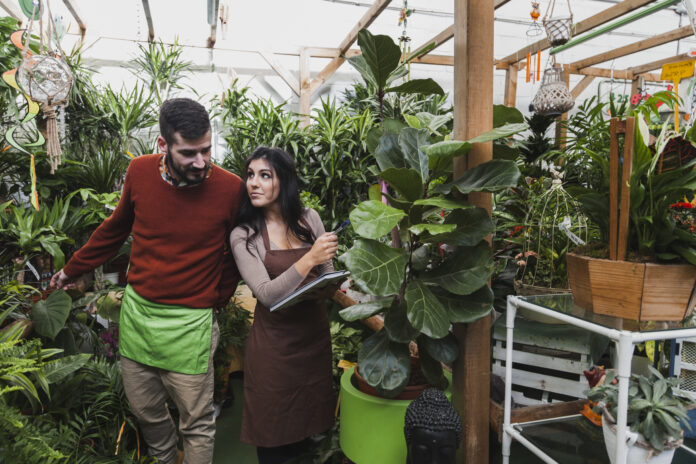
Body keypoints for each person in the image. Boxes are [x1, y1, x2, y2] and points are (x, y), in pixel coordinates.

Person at [51, 98, 244, 464]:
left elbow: (238, 251)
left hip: (191, 325)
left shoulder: (230, 189)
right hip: (139, 318)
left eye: (206, 149)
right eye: (189, 153)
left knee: (197, 423)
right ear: (162, 146)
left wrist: (216, 297)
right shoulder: (139, 172)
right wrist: (71, 269)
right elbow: (115, 228)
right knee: (147, 412)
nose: (202, 162)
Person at [229, 146, 338, 464]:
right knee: (275, 444)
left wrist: (326, 284)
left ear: (284, 181)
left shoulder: (309, 220)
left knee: (306, 439)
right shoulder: (244, 235)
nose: (253, 183)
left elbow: (328, 275)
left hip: (313, 343)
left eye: (265, 175)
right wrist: (310, 258)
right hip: (275, 352)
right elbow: (266, 294)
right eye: (250, 175)